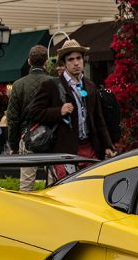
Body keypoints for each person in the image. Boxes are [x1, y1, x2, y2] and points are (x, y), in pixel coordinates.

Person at [28, 39, 115, 181]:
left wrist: (107, 145)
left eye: (79, 58)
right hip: (64, 150)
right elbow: (34, 111)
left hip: (90, 148)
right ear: (64, 63)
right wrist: (58, 111)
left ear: (83, 60)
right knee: (67, 194)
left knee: (91, 190)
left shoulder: (90, 86)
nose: (76, 63)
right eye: (71, 59)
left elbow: (99, 119)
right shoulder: (51, 85)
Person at [6, 44, 53, 191]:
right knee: (54, 184)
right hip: (50, 137)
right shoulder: (54, 83)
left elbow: (12, 118)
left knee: (26, 185)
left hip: (27, 138)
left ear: (28, 61)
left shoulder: (18, 85)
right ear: (46, 62)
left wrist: (13, 145)